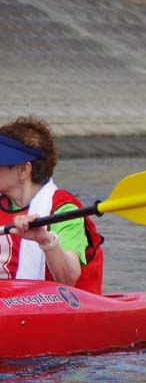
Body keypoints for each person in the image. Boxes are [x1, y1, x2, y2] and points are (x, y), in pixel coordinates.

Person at [0, 117, 104, 292]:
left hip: (61, 309)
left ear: (24, 169)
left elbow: (68, 279)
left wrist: (46, 240)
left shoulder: (64, 209)